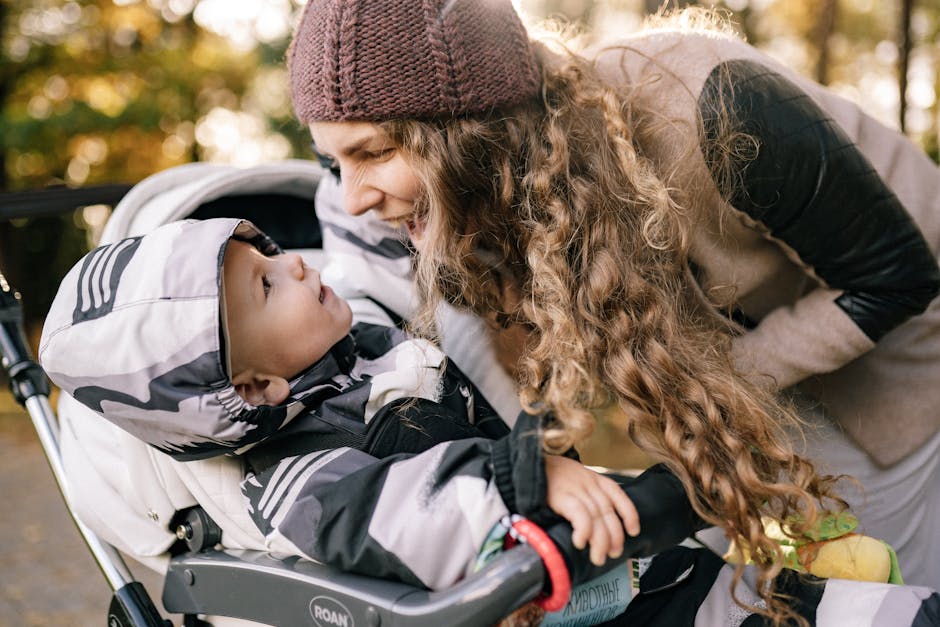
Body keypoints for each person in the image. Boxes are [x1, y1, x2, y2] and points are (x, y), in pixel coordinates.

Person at [286, 0, 940, 613]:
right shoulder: (501, 193)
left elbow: (897, 276)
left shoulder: (713, 104)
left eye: (373, 153)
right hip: (760, 362)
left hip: (899, 351)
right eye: (333, 160)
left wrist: (719, 390)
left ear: (471, 135)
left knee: (882, 594)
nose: (353, 198)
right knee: (714, 585)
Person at [38, 216, 691, 592]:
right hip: (532, 572)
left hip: (595, 551)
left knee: (724, 584)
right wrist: (528, 475)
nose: (292, 262)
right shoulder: (293, 478)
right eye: (265, 285)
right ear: (253, 388)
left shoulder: (368, 348)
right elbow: (408, 514)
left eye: (268, 250)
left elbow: (368, 245)